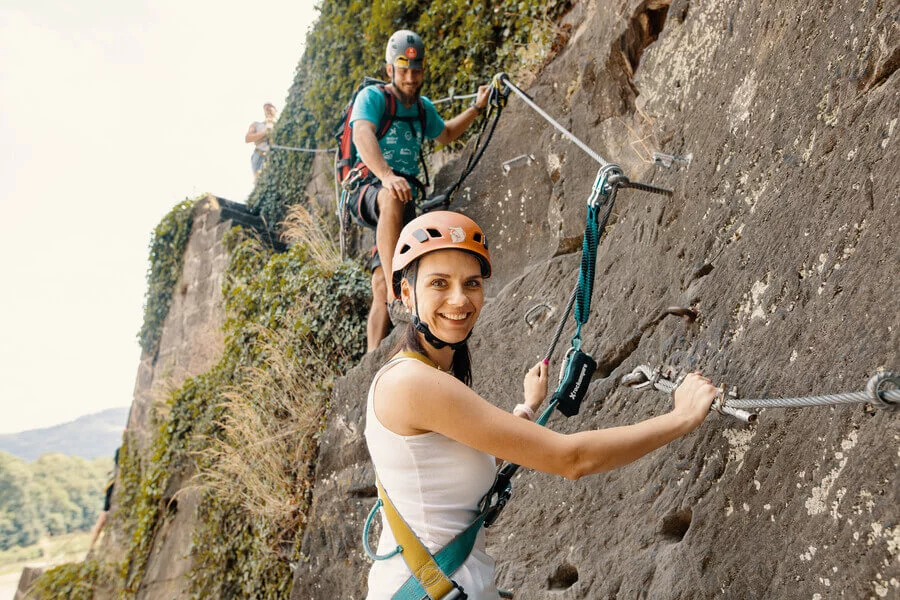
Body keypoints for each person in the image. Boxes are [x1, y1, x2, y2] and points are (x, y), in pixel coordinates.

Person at [364, 211, 719, 598]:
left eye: (471, 283)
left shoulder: (422, 374)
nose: (459, 299)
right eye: (439, 283)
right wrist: (681, 417)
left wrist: (527, 410)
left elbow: (455, 461)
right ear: (404, 293)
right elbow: (573, 459)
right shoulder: (413, 383)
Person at [347, 30, 491, 353]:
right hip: (370, 187)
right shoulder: (373, 98)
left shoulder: (423, 109)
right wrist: (385, 175)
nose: (411, 78)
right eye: (404, 70)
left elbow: (447, 133)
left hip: (404, 197)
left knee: (380, 282)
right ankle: (398, 298)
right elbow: (361, 136)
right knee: (391, 199)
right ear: (390, 70)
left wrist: (477, 108)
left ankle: (372, 359)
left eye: (416, 71)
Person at [88, 445, 120, 553]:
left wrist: (92, 544)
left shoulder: (112, 485)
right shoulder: (114, 485)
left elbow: (103, 516)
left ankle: (91, 545)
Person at [246, 103, 277, 180]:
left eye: (270, 107)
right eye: (266, 109)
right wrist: (264, 132)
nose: (268, 110)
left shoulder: (282, 123)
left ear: (276, 110)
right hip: (260, 154)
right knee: (260, 179)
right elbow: (248, 138)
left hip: (276, 153)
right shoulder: (257, 124)